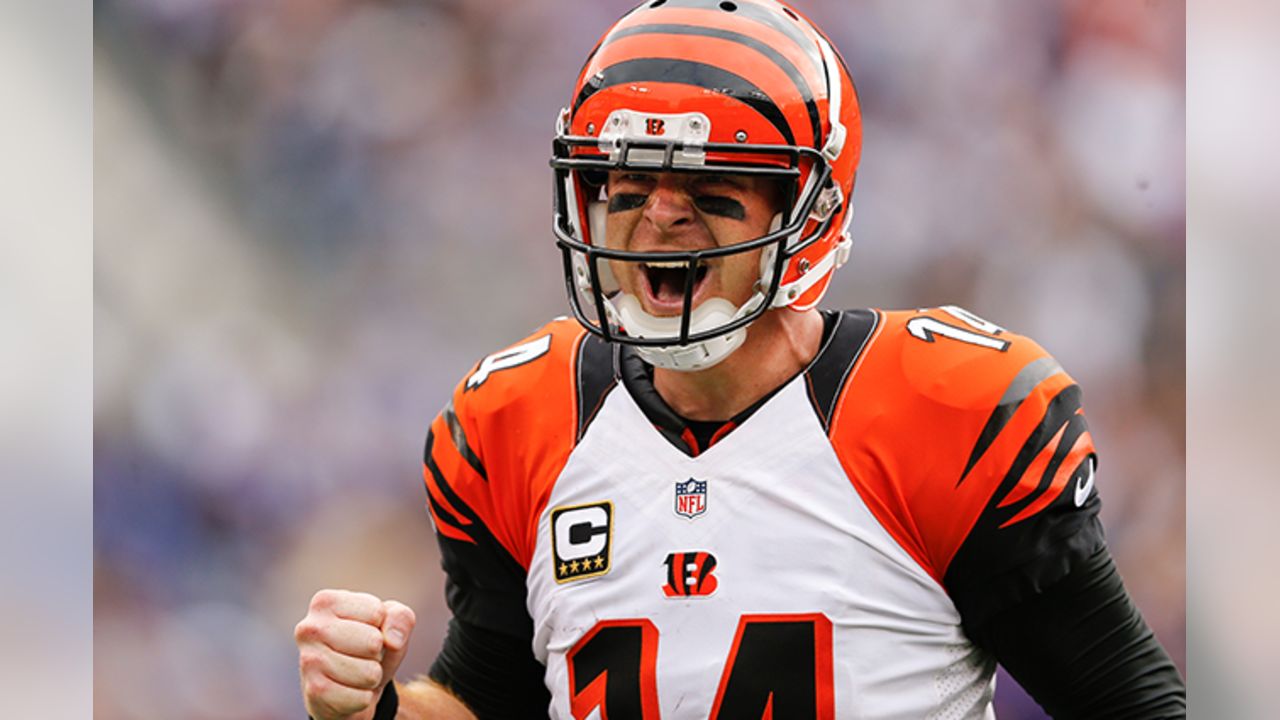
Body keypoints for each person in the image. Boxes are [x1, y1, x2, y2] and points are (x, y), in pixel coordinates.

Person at [295, 1, 1186, 718]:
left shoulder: (944, 413)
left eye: (713, 192)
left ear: (808, 213)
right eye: (627, 186)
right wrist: (372, 709)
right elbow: (488, 702)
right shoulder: (519, 419)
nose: (659, 221)